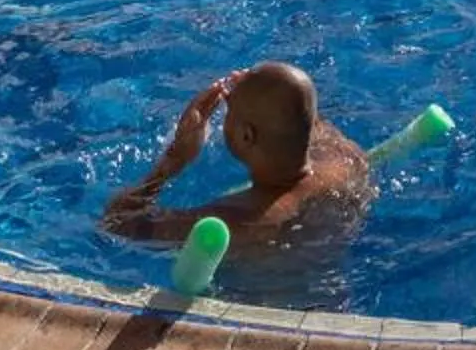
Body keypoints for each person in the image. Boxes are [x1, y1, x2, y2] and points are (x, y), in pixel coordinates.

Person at [101, 61, 372, 247]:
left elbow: (116, 224)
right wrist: (262, 90)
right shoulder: (346, 162)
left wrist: (174, 160)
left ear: (246, 136)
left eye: (229, 113)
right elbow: (302, 117)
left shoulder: (233, 223)